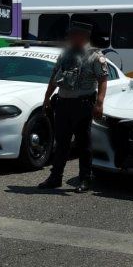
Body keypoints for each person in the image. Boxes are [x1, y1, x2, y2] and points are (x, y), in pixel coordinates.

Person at [39, 21, 108, 192]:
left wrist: (99, 103)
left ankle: (85, 179)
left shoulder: (95, 56)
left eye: (73, 35)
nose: (69, 38)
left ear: (83, 37)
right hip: (63, 104)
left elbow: (103, 80)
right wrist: (47, 97)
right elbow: (55, 76)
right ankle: (55, 177)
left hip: (83, 104)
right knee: (61, 142)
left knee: (83, 143)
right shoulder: (65, 55)